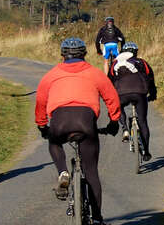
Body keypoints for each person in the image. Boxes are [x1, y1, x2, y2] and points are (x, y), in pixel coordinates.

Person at [36, 37, 120, 225]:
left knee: (54, 142)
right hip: (85, 121)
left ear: (62, 55)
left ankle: (63, 172)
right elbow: (111, 97)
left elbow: (41, 101)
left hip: (59, 121)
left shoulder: (51, 75)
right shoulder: (95, 73)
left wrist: (42, 125)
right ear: (84, 53)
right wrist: (114, 121)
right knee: (91, 173)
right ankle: (97, 218)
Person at [107, 41, 156, 162]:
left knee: (119, 108)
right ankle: (146, 152)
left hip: (121, 93)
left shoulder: (114, 64)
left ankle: (125, 129)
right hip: (139, 93)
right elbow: (150, 77)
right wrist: (153, 94)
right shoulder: (141, 62)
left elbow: (109, 81)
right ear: (135, 52)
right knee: (143, 122)